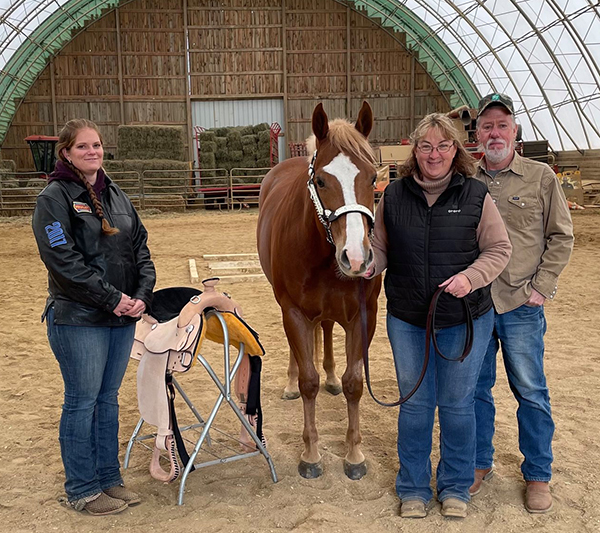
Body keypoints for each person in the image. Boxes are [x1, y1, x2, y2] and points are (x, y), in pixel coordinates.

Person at [366, 113, 512, 519]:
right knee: (415, 405)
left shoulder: (476, 195)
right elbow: (380, 247)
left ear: (456, 150)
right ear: (415, 151)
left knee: (457, 405)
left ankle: (454, 487)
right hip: (408, 319)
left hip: (464, 318)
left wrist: (470, 277)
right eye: (426, 146)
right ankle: (412, 487)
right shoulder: (393, 196)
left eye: (443, 146)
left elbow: (499, 250)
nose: (434, 154)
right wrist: (367, 265)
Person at [32, 119, 156, 515]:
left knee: (108, 400)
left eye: (97, 145)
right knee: (82, 402)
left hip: (120, 317)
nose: (93, 152)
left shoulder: (117, 195)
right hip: (79, 319)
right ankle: (82, 489)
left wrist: (140, 297)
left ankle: (108, 478)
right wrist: (111, 298)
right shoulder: (54, 198)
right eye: (83, 146)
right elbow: (63, 261)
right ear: (66, 152)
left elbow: (141, 250)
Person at [471, 94, 574, 513]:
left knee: (530, 391)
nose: (494, 133)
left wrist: (541, 288)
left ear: (515, 131)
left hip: (521, 304)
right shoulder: (466, 180)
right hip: (475, 306)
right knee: (475, 389)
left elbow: (561, 236)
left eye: (502, 125)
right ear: (476, 134)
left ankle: (538, 474)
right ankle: (479, 464)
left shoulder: (541, 177)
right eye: (486, 126)